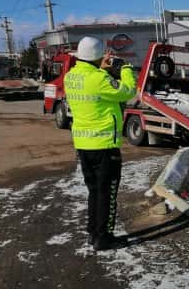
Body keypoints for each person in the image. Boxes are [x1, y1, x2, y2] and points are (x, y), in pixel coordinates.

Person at [64, 36, 137, 251]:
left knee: (94, 191)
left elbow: (95, 85)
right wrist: (125, 69)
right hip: (104, 145)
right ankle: (104, 238)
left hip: (84, 144)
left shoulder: (71, 76)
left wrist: (101, 68)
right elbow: (127, 91)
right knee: (107, 193)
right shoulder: (99, 80)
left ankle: (93, 233)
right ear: (97, 57)